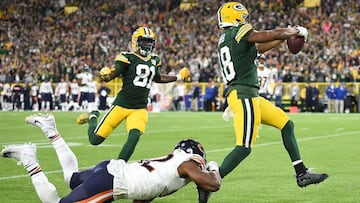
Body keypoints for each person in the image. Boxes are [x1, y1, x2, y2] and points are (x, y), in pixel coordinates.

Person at [213, 2, 328, 200]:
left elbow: (259, 47)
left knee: (286, 124)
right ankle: (210, 181)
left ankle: (301, 173)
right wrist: (293, 30)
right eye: (243, 16)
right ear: (236, 17)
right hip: (243, 94)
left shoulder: (227, 39)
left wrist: (284, 38)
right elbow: (264, 35)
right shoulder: (239, 31)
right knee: (244, 147)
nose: (246, 20)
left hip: (249, 94)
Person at [1, 113, 220, 203]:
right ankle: (30, 160)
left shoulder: (173, 163)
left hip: (111, 172)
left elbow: (142, 197)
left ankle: (51, 131)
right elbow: (212, 183)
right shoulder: (188, 163)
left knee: (71, 178)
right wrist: (213, 168)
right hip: (114, 182)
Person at [76, 26, 190, 161]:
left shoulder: (155, 60)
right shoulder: (126, 57)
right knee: (95, 140)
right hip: (122, 104)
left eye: (149, 42)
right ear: (135, 42)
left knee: (134, 136)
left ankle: (119, 167)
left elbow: (158, 78)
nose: (147, 45)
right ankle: (93, 116)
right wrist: (106, 75)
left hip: (139, 107)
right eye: (143, 41)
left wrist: (178, 77)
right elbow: (114, 73)